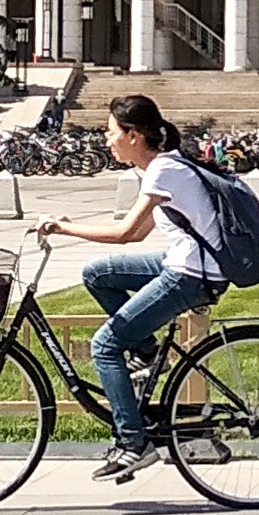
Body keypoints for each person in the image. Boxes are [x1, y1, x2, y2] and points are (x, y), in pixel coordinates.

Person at [34, 93, 223, 484]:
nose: (106, 139)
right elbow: (138, 233)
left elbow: (124, 234)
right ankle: (148, 352)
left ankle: (133, 443)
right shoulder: (161, 168)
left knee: (104, 346)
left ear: (133, 135)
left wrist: (63, 227)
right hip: (185, 262)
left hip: (192, 273)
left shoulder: (163, 171)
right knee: (97, 274)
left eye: (110, 131)